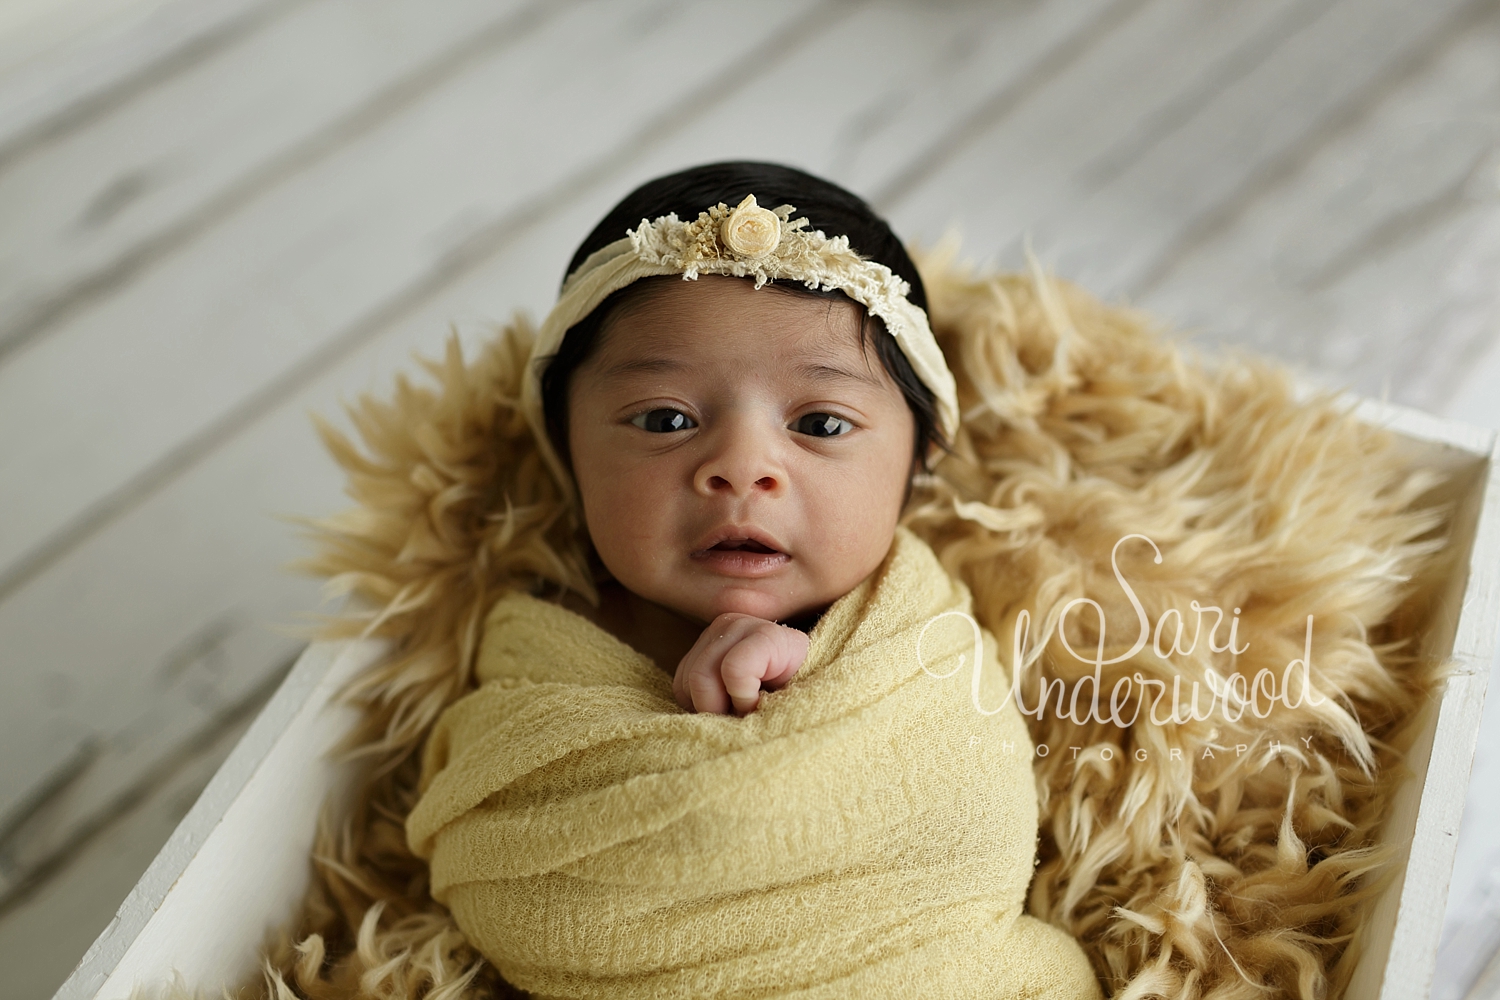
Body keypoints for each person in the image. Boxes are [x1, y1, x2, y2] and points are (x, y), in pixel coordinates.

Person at [403, 161, 1102, 999]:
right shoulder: (539, 641)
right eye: (666, 419)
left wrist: (800, 698)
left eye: (820, 423)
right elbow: (501, 864)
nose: (742, 468)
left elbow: (970, 811)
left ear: (917, 466)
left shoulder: (914, 644)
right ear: (566, 453)